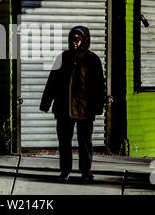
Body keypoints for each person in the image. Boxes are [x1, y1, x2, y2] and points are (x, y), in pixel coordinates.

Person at [39, 26, 106, 183]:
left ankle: (86, 171)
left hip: (85, 108)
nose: (74, 42)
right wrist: (45, 103)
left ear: (84, 40)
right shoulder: (62, 57)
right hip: (64, 108)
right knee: (64, 142)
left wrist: (98, 106)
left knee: (85, 142)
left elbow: (99, 86)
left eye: (77, 39)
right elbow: (52, 82)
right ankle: (65, 171)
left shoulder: (92, 59)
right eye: (72, 39)